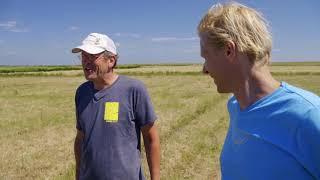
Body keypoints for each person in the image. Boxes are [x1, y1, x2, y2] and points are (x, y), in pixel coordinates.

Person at [198, 2, 320, 179]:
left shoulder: (308, 116)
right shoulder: (235, 106)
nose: (204, 69)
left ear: (229, 50)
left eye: (206, 56)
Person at [72, 33, 160, 180]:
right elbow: (81, 138)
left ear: (111, 61)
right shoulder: (82, 92)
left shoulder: (133, 89)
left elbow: (151, 137)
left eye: (92, 56)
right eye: (83, 56)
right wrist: (78, 174)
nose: (85, 62)